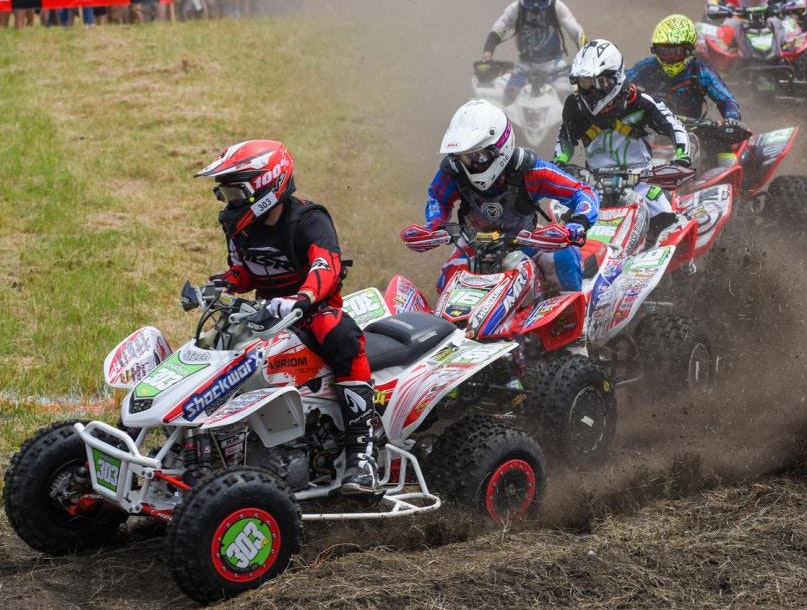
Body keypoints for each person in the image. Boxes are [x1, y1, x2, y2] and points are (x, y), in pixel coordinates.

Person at [196, 140, 380, 495]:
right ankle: (204, 448)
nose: (227, 200)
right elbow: (244, 270)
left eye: (234, 191)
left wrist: (302, 298)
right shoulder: (239, 226)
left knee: (339, 332)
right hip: (265, 314)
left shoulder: (309, 219)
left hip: (311, 310)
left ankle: (363, 456)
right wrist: (225, 282)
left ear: (266, 185)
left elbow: (327, 266)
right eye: (225, 192)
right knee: (219, 340)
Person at [401, 99, 598, 293]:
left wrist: (578, 224)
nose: (470, 163)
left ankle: (570, 319)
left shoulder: (530, 170)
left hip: (526, 242)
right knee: (447, 281)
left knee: (565, 258)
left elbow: (582, 191)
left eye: (478, 156)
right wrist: (434, 225)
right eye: (463, 156)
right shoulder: (453, 170)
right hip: (474, 243)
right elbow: (437, 197)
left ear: (500, 147)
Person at [555, 39, 691, 234]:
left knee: (670, 227)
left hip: (641, 180)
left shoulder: (641, 102)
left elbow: (675, 126)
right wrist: (560, 161)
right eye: (584, 83)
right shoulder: (574, 105)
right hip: (594, 183)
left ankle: (681, 265)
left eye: (597, 83)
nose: (590, 91)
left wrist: (682, 158)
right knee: (564, 227)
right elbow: (565, 137)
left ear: (615, 78)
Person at [628, 13, 744, 168]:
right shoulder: (646, 67)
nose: (668, 58)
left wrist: (731, 120)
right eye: (663, 52)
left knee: (724, 149)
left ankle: (729, 184)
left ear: (689, 50)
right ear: (655, 51)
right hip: (652, 128)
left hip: (693, 130)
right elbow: (619, 84)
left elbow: (726, 100)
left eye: (674, 52)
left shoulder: (701, 71)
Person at [481, 0, 587, 104]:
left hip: (555, 67)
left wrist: (586, 61)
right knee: (509, 97)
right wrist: (486, 57)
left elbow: (577, 34)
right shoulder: (516, 8)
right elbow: (496, 31)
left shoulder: (556, 6)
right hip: (524, 67)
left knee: (568, 95)